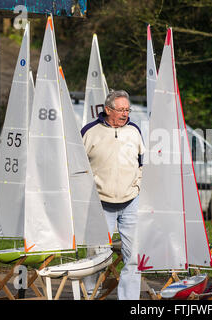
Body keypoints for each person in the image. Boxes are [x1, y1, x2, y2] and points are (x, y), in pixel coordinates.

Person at [81, 89, 145, 300]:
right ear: (108, 109)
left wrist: (137, 185)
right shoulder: (89, 132)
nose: (125, 113)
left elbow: (142, 163)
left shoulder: (134, 131)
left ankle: (130, 300)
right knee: (97, 256)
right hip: (100, 203)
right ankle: (90, 295)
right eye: (120, 109)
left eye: (127, 109)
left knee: (134, 257)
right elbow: (78, 168)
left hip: (130, 202)